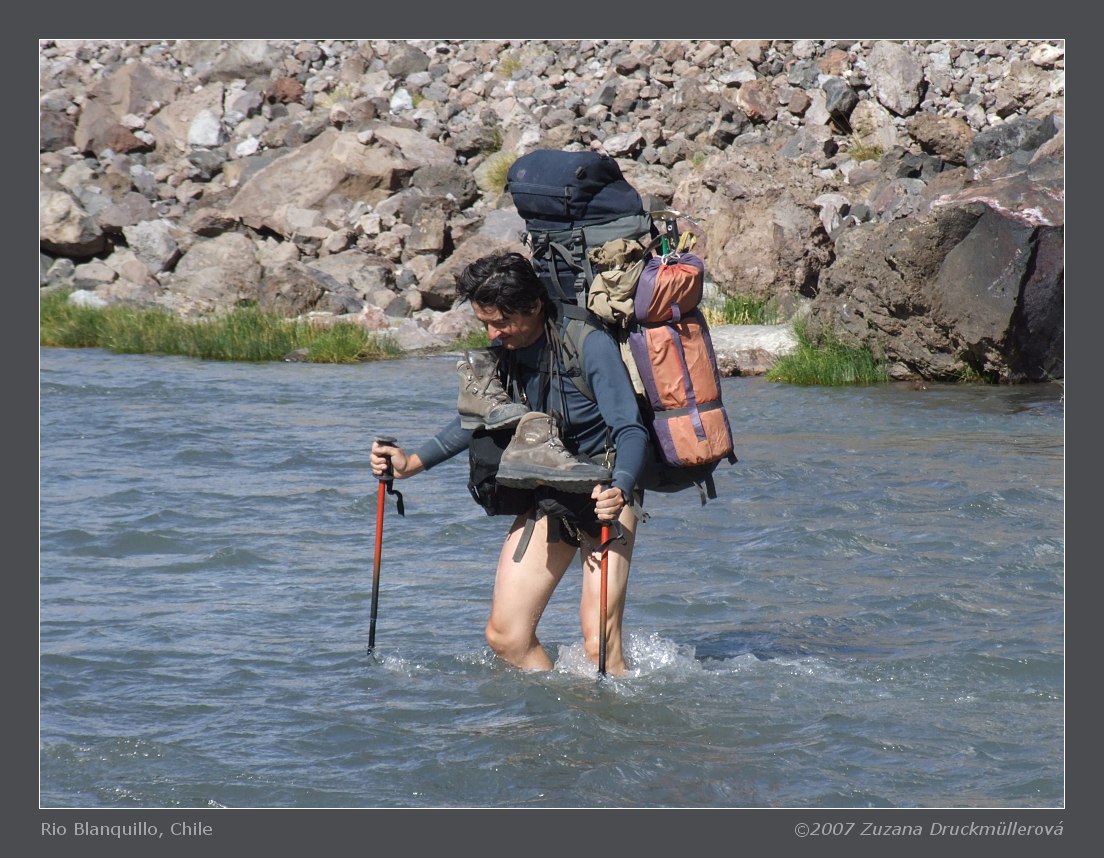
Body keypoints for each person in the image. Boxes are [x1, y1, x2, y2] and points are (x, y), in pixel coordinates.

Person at [370, 251, 648, 675]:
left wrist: (621, 488)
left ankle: (618, 712)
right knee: (508, 637)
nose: (493, 334)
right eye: (484, 322)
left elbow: (631, 429)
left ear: (534, 305)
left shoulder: (588, 343)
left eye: (501, 322)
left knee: (599, 647)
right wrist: (410, 463)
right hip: (550, 487)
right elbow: (479, 419)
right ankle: (556, 714)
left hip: (605, 490)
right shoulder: (507, 351)